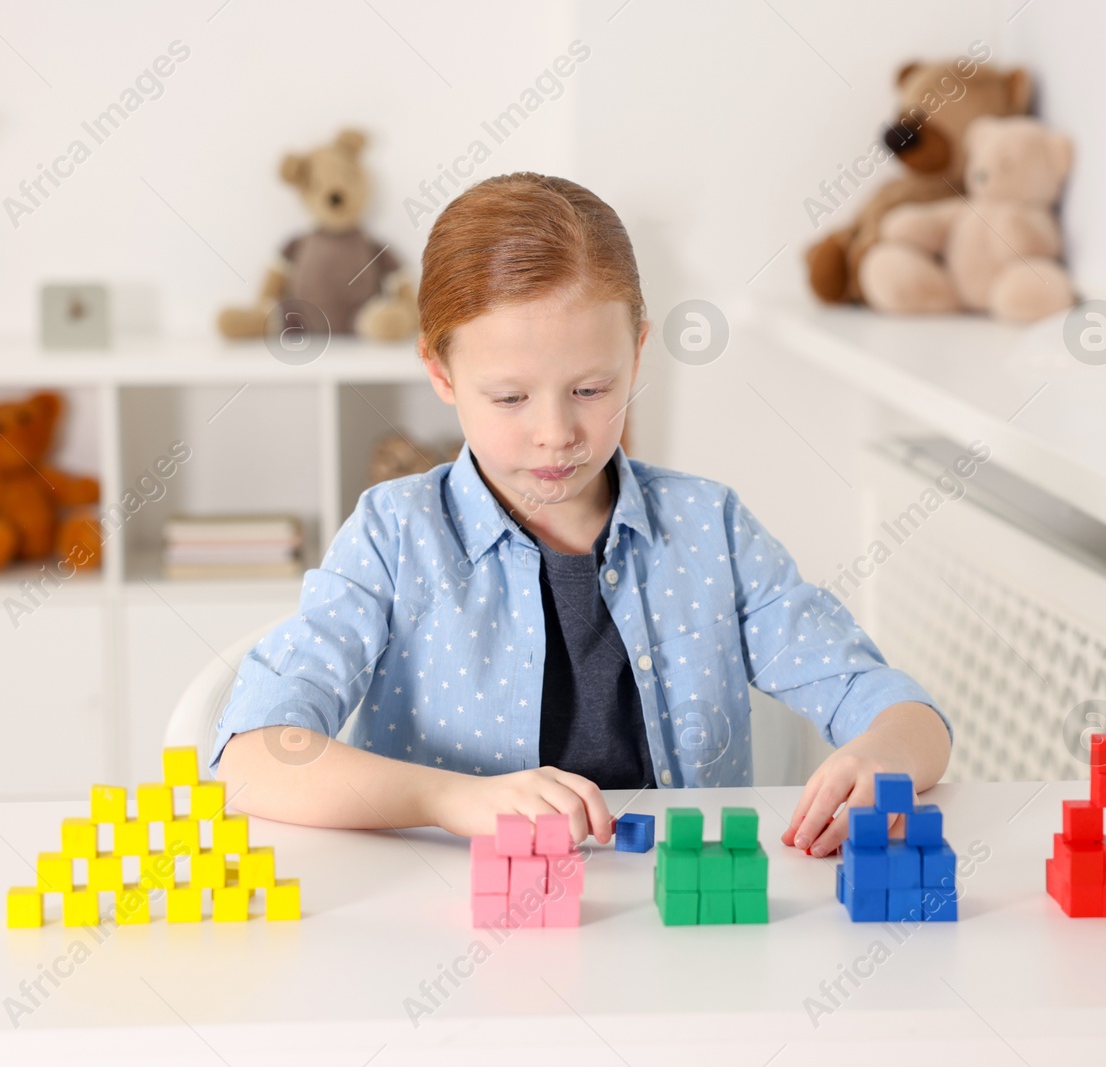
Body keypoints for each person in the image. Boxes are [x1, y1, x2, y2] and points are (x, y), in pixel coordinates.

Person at [212, 172, 950, 858]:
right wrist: (447, 797)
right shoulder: (394, 534)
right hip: (460, 930)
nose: (556, 433)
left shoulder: (709, 527)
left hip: (674, 917)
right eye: (509, 397)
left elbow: (902, 712)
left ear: (636, 354)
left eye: (592, 389)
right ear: (440, 372)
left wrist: (882, 754)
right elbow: (249, 758)